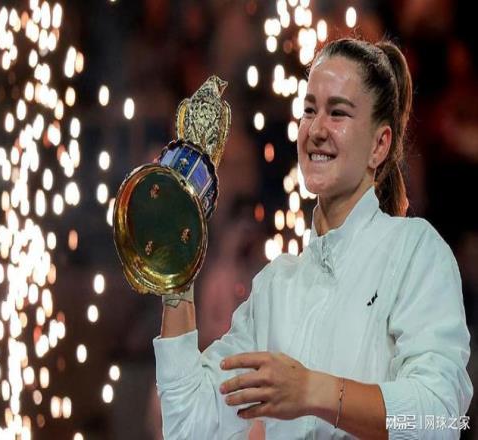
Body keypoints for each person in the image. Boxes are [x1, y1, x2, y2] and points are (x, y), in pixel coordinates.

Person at [152, 38, 473, 439]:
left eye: (338, 113)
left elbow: (441, 418)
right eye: (309, 110)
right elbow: (189, 424)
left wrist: (313, 391)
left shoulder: (415, 251)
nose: (317, 129)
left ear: (379, 145)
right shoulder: (277, 286)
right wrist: (176, 277)